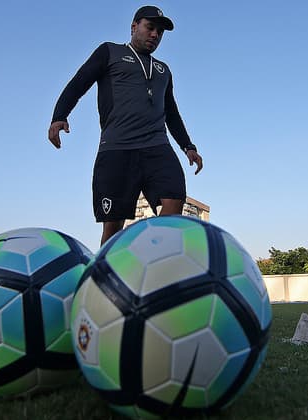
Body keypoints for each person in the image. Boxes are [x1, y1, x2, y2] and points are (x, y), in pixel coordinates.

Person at [48, 5, 203, 246]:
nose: (155, 35)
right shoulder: (109, 52)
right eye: (150, 28)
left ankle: (149, 256)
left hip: (156, 146)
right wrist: (60, 116)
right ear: (134, 27)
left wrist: (187, 145)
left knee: (174, 200)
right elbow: (78, 83)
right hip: (117, 148)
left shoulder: (163, 70)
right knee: (113, 224)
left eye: (160, 32)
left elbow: (171, 111)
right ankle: (104, 277)